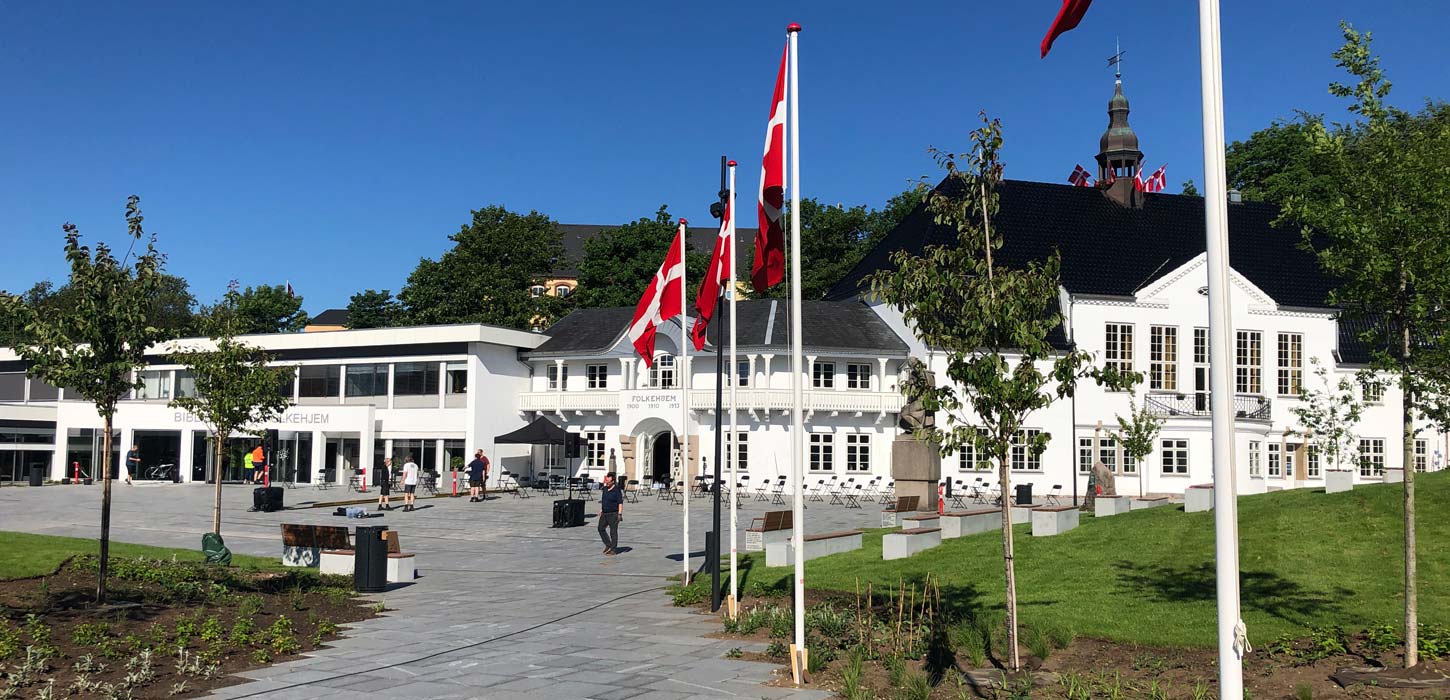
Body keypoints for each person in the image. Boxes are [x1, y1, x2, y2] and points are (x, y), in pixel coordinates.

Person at [598, 471, 624, 555]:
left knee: (613, 531)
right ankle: (608, 544)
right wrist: (601, 510)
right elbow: (604, 500)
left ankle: (613, 548)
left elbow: (620, 502)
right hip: (605, 513)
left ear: (612, 481)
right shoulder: (605, 489)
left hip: (613, 513)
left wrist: (619, 514)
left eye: (608, 481)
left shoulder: (616, 490)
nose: (606, 482)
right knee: (600, 528)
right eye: (606, 481)